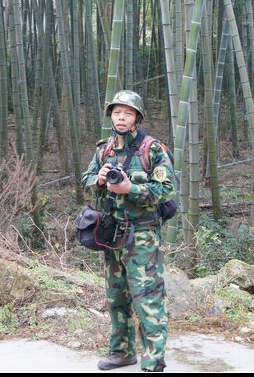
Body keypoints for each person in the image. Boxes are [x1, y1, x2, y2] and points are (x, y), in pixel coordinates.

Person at [81, 90, 177, 372]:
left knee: (147, 297)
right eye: (116, 113)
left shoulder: (153, 149)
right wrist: (98, 180)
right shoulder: (104, 149)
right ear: (111, 116)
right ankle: (121, 351)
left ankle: (153, 359)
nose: (121, 118)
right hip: (111, 233)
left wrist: (130, 188)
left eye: (128, 113)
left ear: (137, 117)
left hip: (143, 234)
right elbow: (86, 178)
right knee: (116, 296)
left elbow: (167, 189)